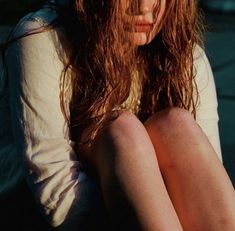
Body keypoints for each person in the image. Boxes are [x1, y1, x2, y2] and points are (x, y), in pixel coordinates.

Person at [1, 0, 235, 230]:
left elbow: (205, 186)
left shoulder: (185, 55)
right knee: (122, 131)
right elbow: (57, 197)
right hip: (38, 219)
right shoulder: (44, 38)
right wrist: (145, 206)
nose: (143, 7)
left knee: (175, 125)